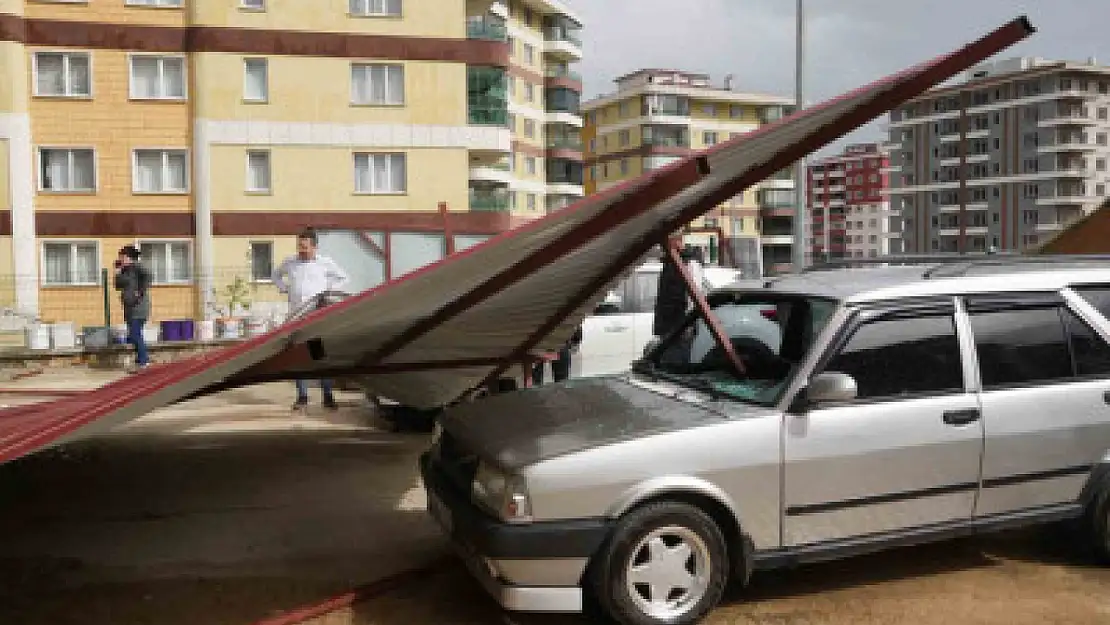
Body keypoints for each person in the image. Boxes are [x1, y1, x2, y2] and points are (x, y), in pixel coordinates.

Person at [272, 227, 350, 411]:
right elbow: (276, 275)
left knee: (319, 356)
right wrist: (284, 288)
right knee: (298, 358)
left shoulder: (324, 263)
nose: (301, 250)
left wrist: (328, 291)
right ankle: (302, 396)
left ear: (314, 247)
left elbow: (344, 277)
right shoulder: (290, 262)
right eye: (299, 246)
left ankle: (328, 396)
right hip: (296, 316)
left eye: (305, 247)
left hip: (316, 317)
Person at [114, 245, 152, 373]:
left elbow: (148, 275)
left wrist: (140, 292)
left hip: (139, 308)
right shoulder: (125, 271)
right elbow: (118, 286)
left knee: (135, 335)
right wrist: (118, 272)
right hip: (129, 309)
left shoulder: (136, 267)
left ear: (129, 258)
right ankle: (140, 360)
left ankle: (144, 361)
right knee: (133, 336)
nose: (120, 260)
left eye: (122, 257)